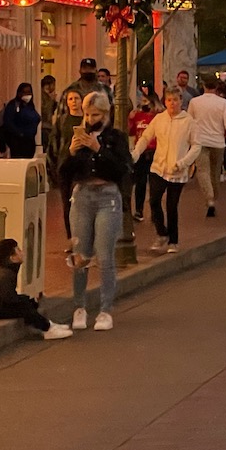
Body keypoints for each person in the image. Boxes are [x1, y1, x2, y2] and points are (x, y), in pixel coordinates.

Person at [59, 91, 133, 331]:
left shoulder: (116, 137)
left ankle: (105, 310)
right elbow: (62, 173)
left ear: (106, 114)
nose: (91, 119)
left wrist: (99, 149)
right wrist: (70, 152)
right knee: (81, 255)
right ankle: (79, 307)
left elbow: (123, 169)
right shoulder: (79, 136)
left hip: (107, 196)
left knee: (104, 255)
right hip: (82, 196)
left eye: (96, 114)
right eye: (88, 114)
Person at [131, 88, 200, 255]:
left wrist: (184, 162)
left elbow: (196, 145)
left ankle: (173, 240)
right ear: (165, 102)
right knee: (154, 201)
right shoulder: (159, 119)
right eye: (169, 100)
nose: (172, 103)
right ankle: (161, 232)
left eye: (175, 100)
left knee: (172, 206)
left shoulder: (188, 121)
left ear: (180, 101)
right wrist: (136, 152)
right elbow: (146, 137)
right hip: (159, 167)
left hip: (177, 169)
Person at [0, 238, 73, 339]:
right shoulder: (5, 275)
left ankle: (48, 324)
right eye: (19, 251)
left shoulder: (8, 270)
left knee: (29, 301)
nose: (22, 253)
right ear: (13, 258)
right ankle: (47, 328)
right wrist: (23, 303)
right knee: (25, 308)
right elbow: (8, 298)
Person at [187, 80, 226, 218]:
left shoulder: (195, 102)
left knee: (203, 171)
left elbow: (189, 122)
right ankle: (214, 196)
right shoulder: (223, 103)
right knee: (215, 172)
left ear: (203, 86)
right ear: (216, 87)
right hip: (218, 142)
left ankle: (209, 199)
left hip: (199, 141)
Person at [50, 90, 85, 239]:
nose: (73, 101)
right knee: (67, 203)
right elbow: (54, 141)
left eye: (76, 98)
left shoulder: (86, 120)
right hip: (65, 165)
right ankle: (70, 237)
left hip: (81, 166)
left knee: (80, 202)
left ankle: (82, 235)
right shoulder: (62, 120)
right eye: (70, 99)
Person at [127, 88, 159, 221]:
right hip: (140, 152)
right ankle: (139, 210)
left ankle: (155, 211)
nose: (143, 104)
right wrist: (130, 119)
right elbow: (130, 131)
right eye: (142, 101)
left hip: (154, 152)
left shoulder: (157, 117)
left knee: (154, 184)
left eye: (146, 101)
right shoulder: (138, 116)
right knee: (140, 183)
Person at [0, 82, 41, 160]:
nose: (27, 94)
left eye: (29, 92)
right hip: (17, 143)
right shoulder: (13, 105)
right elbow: (8, 122)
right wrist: (20, 134)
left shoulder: (30, 106)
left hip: (30, 142)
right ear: (19, 93)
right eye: (25, 92)